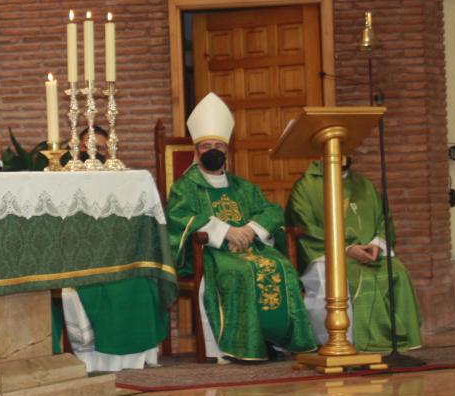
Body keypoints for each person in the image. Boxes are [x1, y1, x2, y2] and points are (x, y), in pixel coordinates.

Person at [165, 93, 315, 361]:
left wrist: (249, 230)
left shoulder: (243, 187)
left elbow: (271, 210)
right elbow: (180, 218)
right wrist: (226, 232)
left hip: (252, 247)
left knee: (282, 269)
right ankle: (242, 346)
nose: (212, 151)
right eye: (206, 145)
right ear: (196, 151)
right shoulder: (184, 188)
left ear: (226, 151)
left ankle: (278, 341)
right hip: (213, 253)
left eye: (219, 146)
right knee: (241, 272)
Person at [286, 159, 423, 352]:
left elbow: (384, 218)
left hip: (369, 252)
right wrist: (345, 249)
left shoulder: (363, 184)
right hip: (329, 255)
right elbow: (305, 227)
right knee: (362, 277)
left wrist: (377, 244)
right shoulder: (307, 186)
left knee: (398, 271)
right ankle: (371, 342)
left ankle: (400, 340)